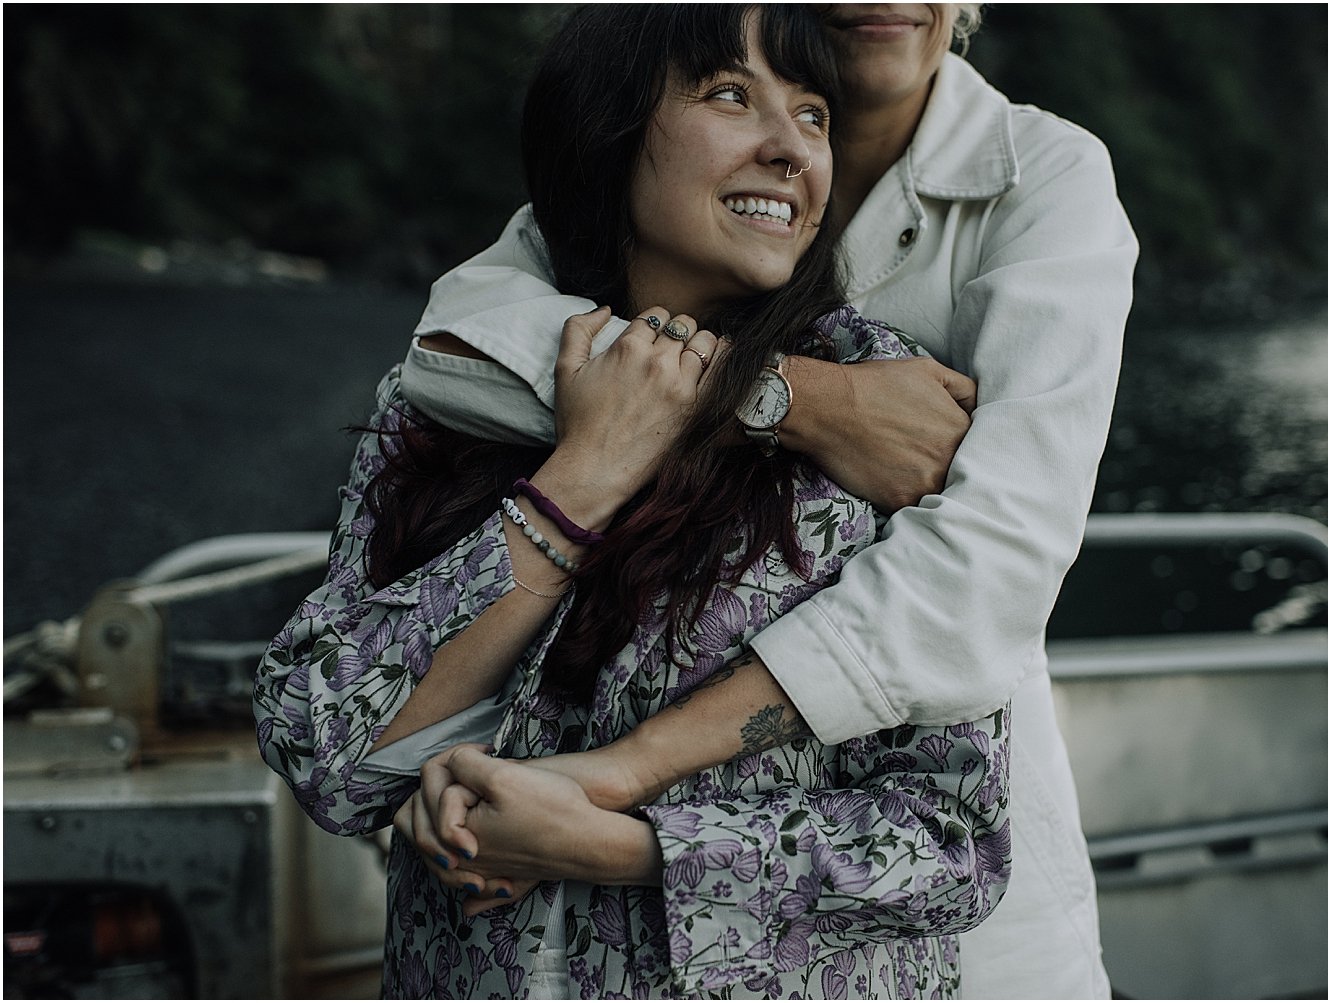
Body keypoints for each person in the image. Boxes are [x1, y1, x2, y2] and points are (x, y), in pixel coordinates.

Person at [254, 5, 1010, 998]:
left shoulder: (881, 410)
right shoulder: (454, 389)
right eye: (731, 96)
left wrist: (626, 845)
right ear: (606, 129)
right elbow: (329, 756)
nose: (791, 150)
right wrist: (585, 476)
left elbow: (956, 836)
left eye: (815, 114)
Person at [395, 3, 1137, 998]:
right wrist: (795, 400)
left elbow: (987, 573)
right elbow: (455, 355)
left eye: (806, 116)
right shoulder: (665, 157)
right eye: (740, 98)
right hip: (558, 892)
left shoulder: (1044, 178)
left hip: (914, 855)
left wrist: (621, 779)